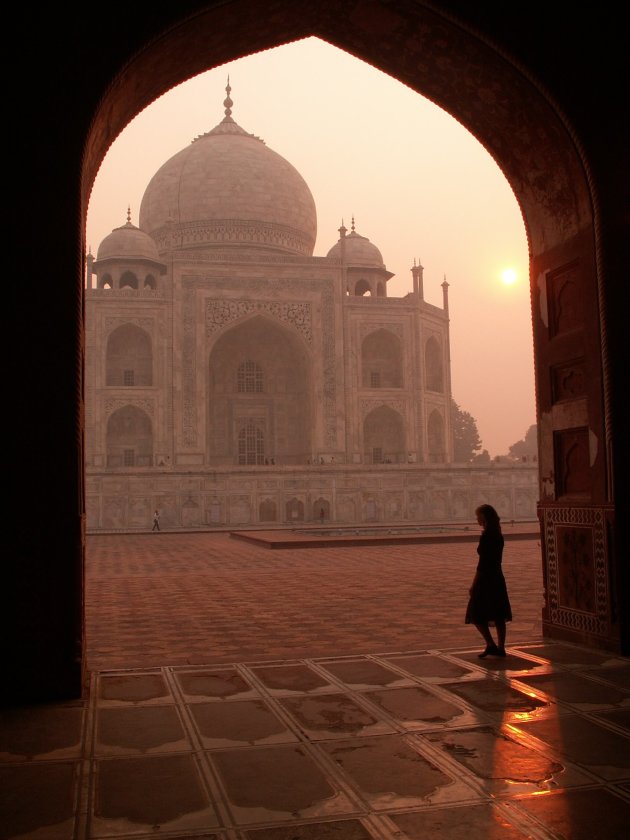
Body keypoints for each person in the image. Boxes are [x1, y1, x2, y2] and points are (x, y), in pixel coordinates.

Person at [465, 503, 512, 657]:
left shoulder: (487, 536)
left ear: (484, 517)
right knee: (498, 612)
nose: (477, 519)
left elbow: (483, 563)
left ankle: (491, 644)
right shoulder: (497, 534)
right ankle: (500, 647)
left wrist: (473, 584)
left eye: (478, 516)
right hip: (497, 576)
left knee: (475, 612)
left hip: (485, 578)